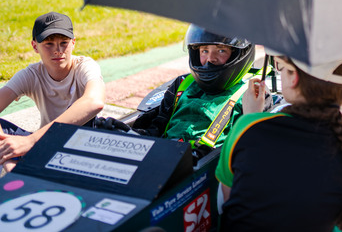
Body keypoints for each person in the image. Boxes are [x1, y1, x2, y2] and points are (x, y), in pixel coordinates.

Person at [215, 52, 342, 232]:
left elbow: (224, 204)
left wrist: (252, 117)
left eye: (282, 68)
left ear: (294, 77)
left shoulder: (244, 128)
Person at [96, 25, 257, 151]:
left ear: (239, 54)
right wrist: (130, 135)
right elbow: (157, 128)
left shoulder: (248, 96)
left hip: (204, 167)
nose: (210, 59)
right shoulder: (182, 84)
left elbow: (247, 148)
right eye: (204, 50)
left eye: (221, 51)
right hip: (166, 156)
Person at [0, 12, 105, 171]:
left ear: (73, 43)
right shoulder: (31, 74)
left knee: (82, 112)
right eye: (49, 43)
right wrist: (7, 151)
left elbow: (94, 102)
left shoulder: (85, 66)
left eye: (64, 42)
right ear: (35, 46)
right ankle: (16, 173)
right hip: (44, 147)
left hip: (82, 145)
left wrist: (31, 141)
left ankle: (22, 171)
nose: (58, 50)